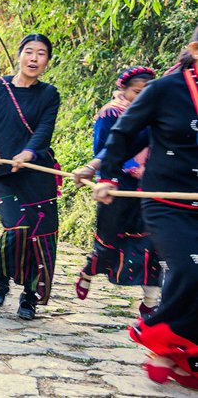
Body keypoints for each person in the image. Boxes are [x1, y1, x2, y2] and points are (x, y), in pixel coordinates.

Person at [94, 26, 198, 389]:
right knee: (188, 266)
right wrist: (106, 175)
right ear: (195, 50)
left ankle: (181, 351)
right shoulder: (165, 90)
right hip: (167, 202)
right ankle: (156, 334)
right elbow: (122, 133)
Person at [0, 33, 61, 320]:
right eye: (29, 52)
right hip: (2, 173)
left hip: (37, 174)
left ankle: (29, 297)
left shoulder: (50, 94)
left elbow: (43, 131)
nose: (34, 58)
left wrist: (28, 153)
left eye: (41, 54)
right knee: (18, 229)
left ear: (47, 60)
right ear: (19, 54)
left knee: (41, 238)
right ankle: (0, 272)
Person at [72, 66, 161, 319]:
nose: (141, 97)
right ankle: (90, 270)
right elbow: (105, 149)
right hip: (115, 187)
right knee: (108, 243)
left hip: (147, 188)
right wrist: (129, 167)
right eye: (136, 92)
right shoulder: (111, 114)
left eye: (147, 92)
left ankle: (150, 302)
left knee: (150, 245)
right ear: (123, 90)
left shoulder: (158, 115)